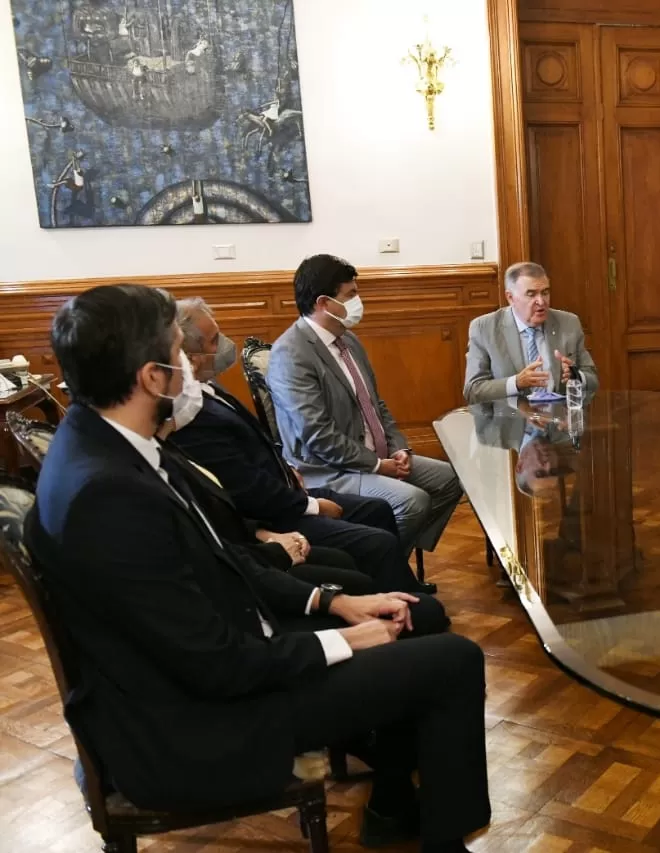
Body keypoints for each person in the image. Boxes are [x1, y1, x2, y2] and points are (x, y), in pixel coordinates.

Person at [29, 284, 490, 852]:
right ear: (151, 378)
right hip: (198, 723)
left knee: (410, 618)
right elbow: (215, 666)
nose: (190, 370)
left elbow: (228, 562)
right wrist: (348, 640)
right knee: (455, 659)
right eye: (179, 355)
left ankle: (396, 805)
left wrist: (332, 604)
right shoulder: (107, 495)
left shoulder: (108, 445)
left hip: (217, 667)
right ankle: (443, 841)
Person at [169, 298, 434, 595]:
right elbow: (245, 487)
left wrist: (287, 469)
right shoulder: (190, 415)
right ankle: (399, 608)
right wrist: (313, 505)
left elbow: (375, 404)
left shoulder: (208, 388)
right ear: (189, 356)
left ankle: (391, 591)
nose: (224, 345)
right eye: (215, 340)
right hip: (274, 513)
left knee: (378, 510)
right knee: (380, 540)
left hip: (286, 488)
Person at [269, 254, 464, 563]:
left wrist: (400, 449)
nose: (359, 301)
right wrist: (376, 465)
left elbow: (375, 403)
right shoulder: (290, 354)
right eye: (351, 295)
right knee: (412, 502)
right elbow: (317, 435)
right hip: (329, 470)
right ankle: (379, 566)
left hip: (377, 456)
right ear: (324, 303)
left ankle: (386, 561)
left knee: (449, 479)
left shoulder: (349, 341)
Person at [463, 261, 599, 403]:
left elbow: (592, 379)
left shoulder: (568, 323)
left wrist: (576, 376)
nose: (541, 301)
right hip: (509, 420)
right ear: (510, 298)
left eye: (545, 293)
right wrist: (516, 383)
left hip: (557, 421)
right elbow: (472, 390)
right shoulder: (484, 328)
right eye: (531, 294)